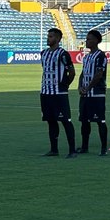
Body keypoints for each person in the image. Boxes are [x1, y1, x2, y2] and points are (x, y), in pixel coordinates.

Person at [40, 28, 77, 158]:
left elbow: (72, 72)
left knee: (66, 120)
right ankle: (54, 149)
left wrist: (65, 85)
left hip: (59, 94)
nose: (48, 38)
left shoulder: (63, 54)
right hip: (45, 92)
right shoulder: (43, 53)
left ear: (58, 39)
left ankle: (72, 150)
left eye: (51, 36)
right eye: (48, 36)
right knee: (51, 121)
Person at [77, 30, 108, 156]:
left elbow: (99, 74)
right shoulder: (87, 56)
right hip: (85, 94)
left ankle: (104, 148)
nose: (87, 41)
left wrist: (88, 87)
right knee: (84, 121)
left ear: (96, 40)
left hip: (97, 94)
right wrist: (80, 86)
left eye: (89, 39)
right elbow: (83, 73)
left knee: (100, 121)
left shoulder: (100, 56)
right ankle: (85, 147)